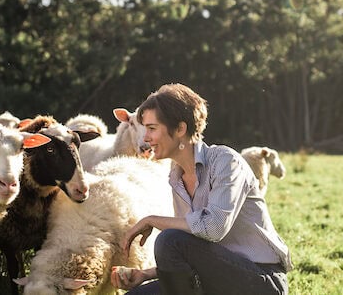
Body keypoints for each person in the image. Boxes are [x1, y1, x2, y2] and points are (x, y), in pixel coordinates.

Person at [111, 83, 291, 295]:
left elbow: (213, 228)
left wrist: (151, 220)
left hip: (260, 281)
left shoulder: (226, 161)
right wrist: (146, 275)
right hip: (217, 276)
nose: (146, 137)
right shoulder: (175, 177)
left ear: (180, 129)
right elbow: (192, 249)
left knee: (169, 239)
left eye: (152, 128)